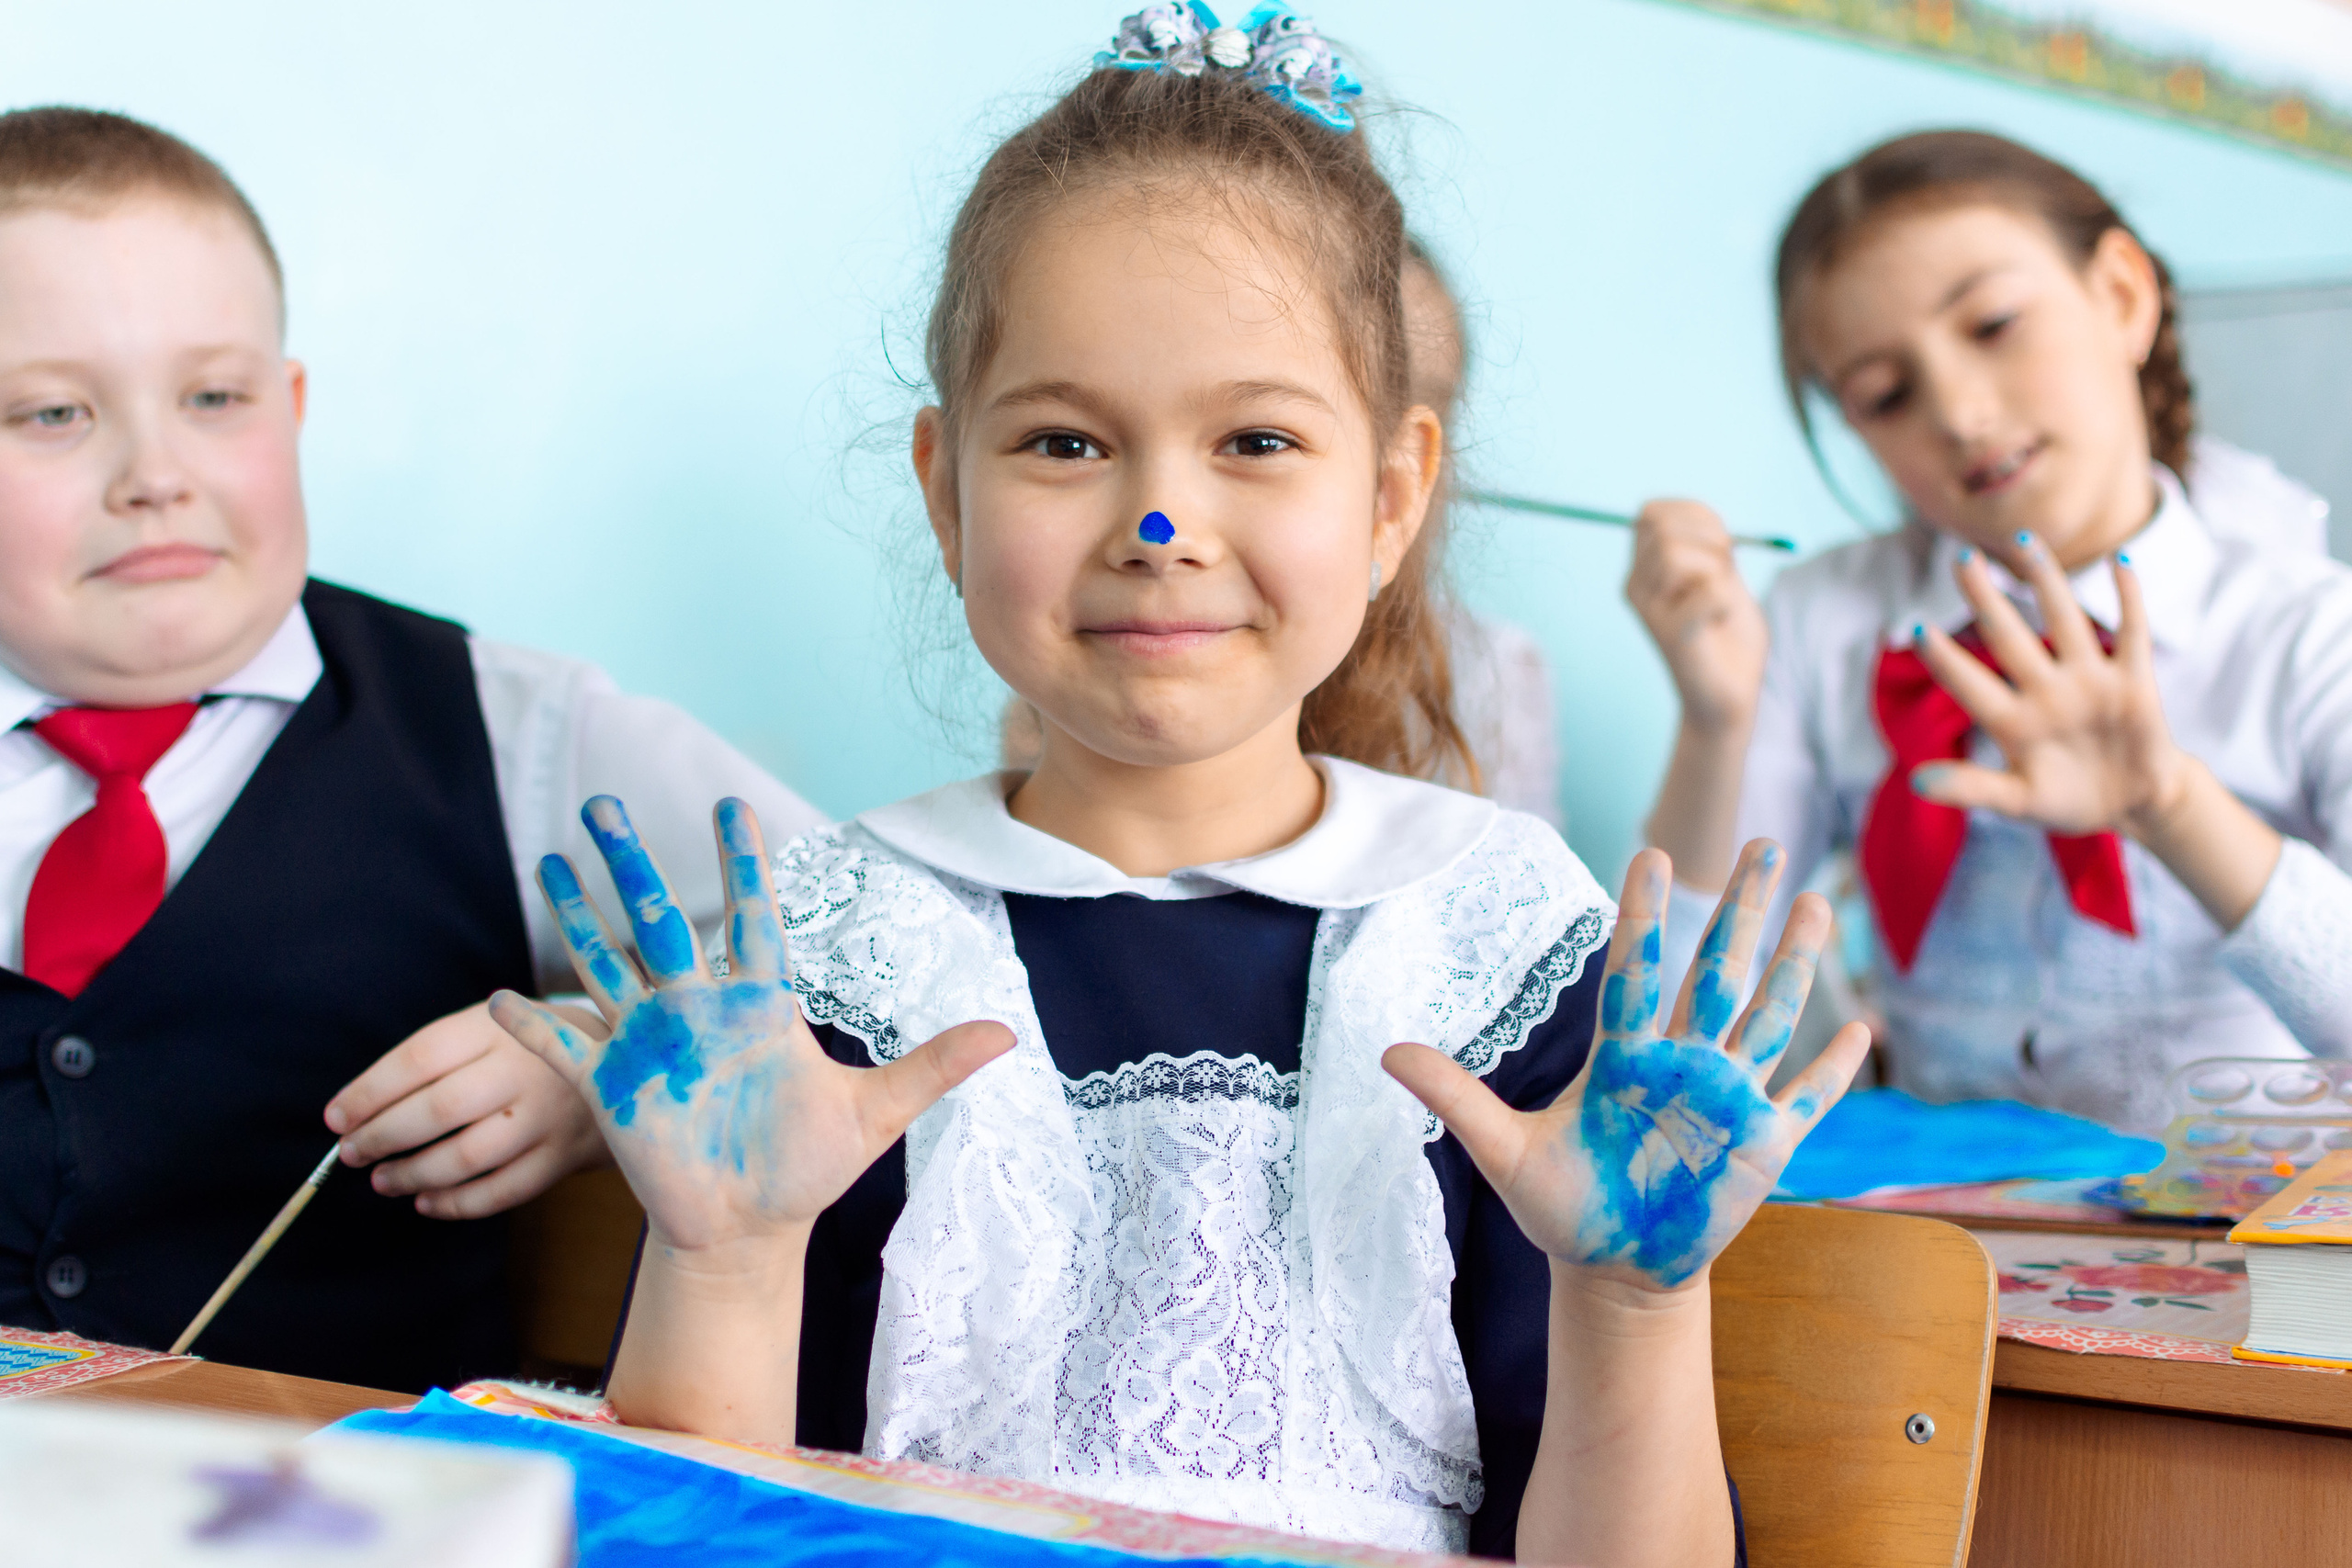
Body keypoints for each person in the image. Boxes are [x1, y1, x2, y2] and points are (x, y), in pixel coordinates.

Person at [492, 12, 1867, 1563]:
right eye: (1068, 441)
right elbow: (700, 1540)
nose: (1159, 520)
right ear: (945, 490)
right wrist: (726, 1259)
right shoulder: (824, 950)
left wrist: (1632, 1300)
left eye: (1257, 438)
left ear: (1394, 494)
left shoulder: (1510, 950)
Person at [0, 107, 820, 1391]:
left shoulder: (512, 730)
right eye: (51, 413)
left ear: (292, 403)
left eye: (215, 397)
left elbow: (883, 933)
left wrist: (599, 1056)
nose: (154, 473)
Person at [1629, 130, 2352, 1134]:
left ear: (2122, 298)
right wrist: (1712, 724)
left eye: (1994, 324)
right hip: (1938, 1247)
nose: (1962, 415)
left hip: (2254, 1247)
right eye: (1886, 397)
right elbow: (1667, 1030)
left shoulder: (2310, 634)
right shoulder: (1819, 623)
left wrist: (2169, 803)